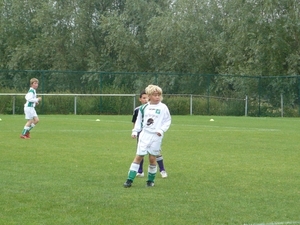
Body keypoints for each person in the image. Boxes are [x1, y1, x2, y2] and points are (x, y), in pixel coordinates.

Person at [124, 84, 171, 188]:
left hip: (156, 136)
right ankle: (129, 180)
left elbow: (167, 121)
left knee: (152, 158)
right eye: (155, 95)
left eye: (159, 95)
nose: (157, 97)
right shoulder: (143, 108)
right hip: (145, 135)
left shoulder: (163, 107)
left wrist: (161, 130)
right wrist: (135, 131)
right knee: (138, 156)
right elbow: (138, 121)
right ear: (149, 96)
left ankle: (150, 181)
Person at [132, 91, 168, 178]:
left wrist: (160, 130)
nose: (145, 100)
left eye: (146, 97)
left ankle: (162, 170)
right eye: (143, 98)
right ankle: (140, 171)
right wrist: (135, 132)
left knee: (156, 153)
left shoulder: (160, 107)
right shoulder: (138, 109)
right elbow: (135, 122)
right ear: (140, 99)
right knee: (141, 153)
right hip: (142, 133)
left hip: (154, 134)